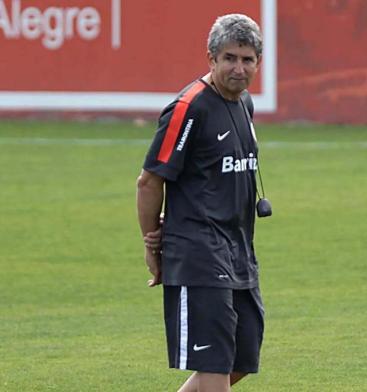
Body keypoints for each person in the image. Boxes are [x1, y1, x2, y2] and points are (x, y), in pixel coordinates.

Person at [137, 13, 265, 392]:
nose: (238, 69)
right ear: (211, 58)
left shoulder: (244, 104)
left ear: (258, 62)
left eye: (247, 59)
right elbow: (148, 181)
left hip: (238, 249)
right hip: (198, 254)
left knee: (242, 357)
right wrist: (152, 242)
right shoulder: (188, 108)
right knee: (213, 365)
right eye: (229, 58)